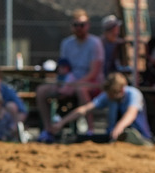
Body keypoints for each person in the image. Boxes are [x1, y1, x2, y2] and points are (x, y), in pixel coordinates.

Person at [36, 9, 104, 142]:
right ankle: (49, 129)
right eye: (75, 25)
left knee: (81, 89)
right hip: (70, 81)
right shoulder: (66, 43)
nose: (79, 28)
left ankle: (90, 131)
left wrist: (74, 84)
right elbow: (63, 68)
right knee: (42, 90)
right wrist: (63, 82)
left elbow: (93, 73)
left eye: (82, 24)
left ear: (88, 25)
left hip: (91, 83)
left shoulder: (95, 43)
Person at [49, 72, 153, 145]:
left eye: (112, 94)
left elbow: (131, 113)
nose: (110, 97)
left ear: (121, 90)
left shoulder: (134, 94)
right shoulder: (108, 95)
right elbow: (85, 109)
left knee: (130, 135)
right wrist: (61, 123)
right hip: (113, 137)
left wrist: (119, 127)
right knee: (81, 139)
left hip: (140, 136)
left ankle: (130, 138)